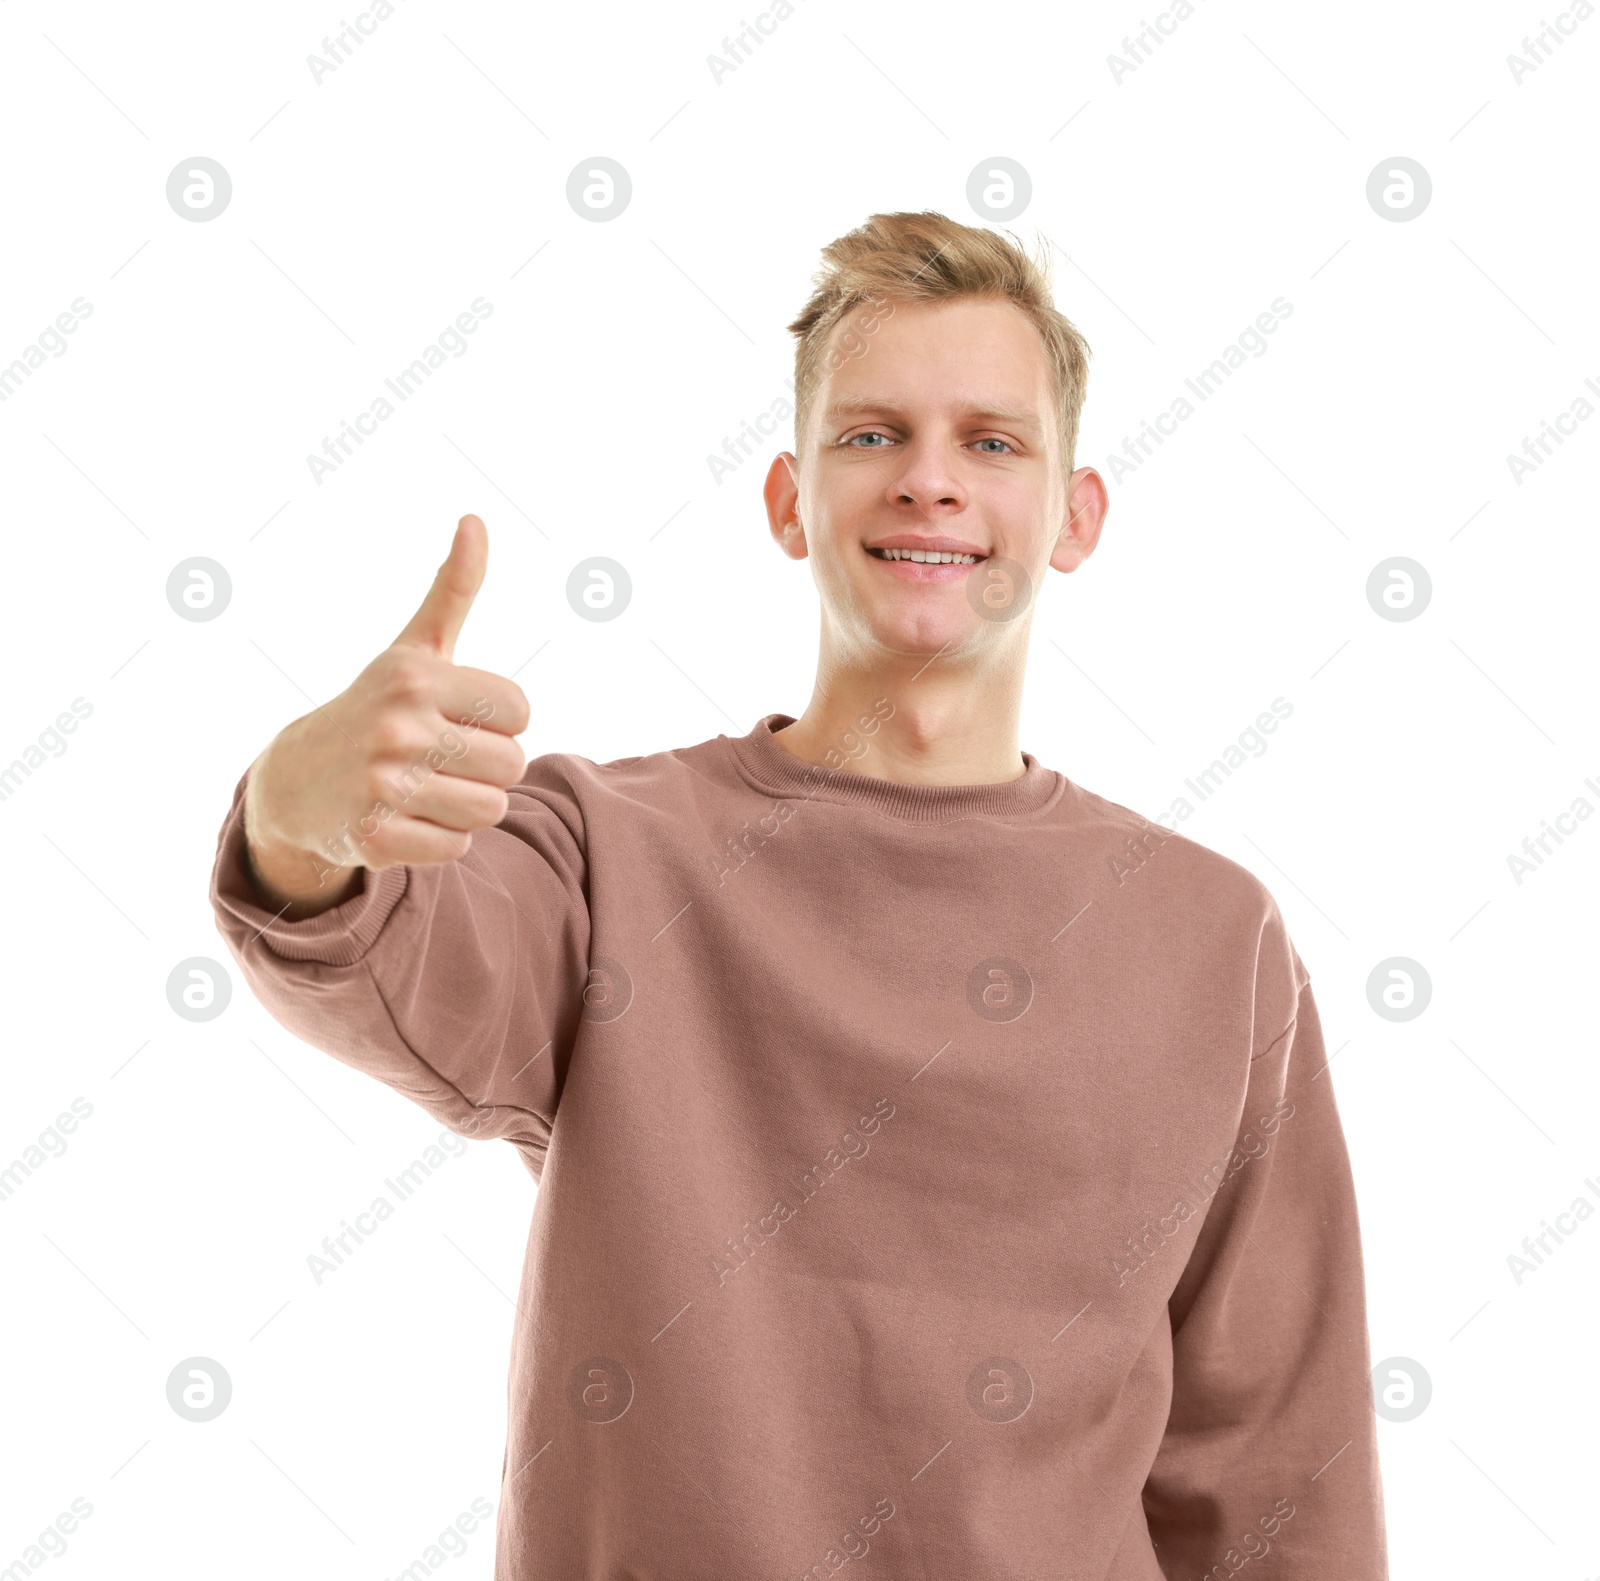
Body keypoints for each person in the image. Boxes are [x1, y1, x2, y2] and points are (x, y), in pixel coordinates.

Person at [209, 210, 1388, 1577]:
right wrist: (298, 807)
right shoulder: (605, 851)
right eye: (871, 435)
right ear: (787, 500)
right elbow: (382, 950)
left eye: (992, 442)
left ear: (1076, 517)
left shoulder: (1210, 938)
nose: (930, 484)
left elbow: (1276, 1471)